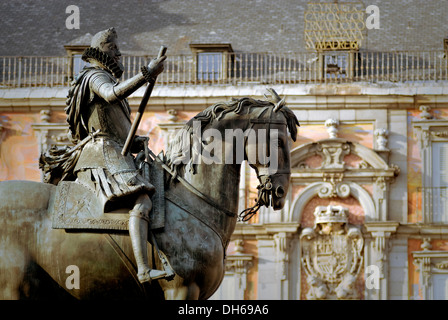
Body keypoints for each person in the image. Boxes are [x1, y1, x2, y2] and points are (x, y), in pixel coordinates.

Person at [64, 27, 168, 283]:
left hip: (113, 149)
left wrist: (134, 141)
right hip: (101, 154)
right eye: (113, 49)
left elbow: (116, 127)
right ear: (100, 51)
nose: (119, 53)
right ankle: (143, 270)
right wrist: (146, 74)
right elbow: (112, 94)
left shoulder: (102, 77)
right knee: (142, 201)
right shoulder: (93, 76)